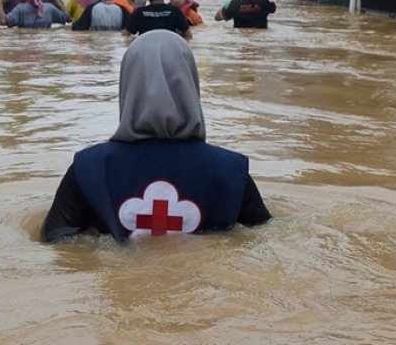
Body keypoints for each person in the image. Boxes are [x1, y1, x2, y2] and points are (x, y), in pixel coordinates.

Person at [41, 30, 272, 243]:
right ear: (191, 83)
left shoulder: (88, 168)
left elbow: (55, 241)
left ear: (128, 84)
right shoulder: (231, 170)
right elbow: (266, 235)